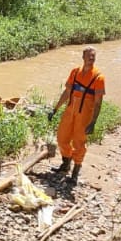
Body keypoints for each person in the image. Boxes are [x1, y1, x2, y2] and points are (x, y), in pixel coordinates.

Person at [48, 46, 105, 182]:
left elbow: (98, 103)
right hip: (69, 111)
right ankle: (66, 164)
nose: (91, 58)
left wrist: (93, 122)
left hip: (84, 115)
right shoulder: (74, 72)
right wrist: (55, 109)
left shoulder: (98, 77)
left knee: (79, 143)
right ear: (83, 57)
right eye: (89, 56)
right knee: (62, 138)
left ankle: (75, 173)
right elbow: (67, 93)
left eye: (93, 56)